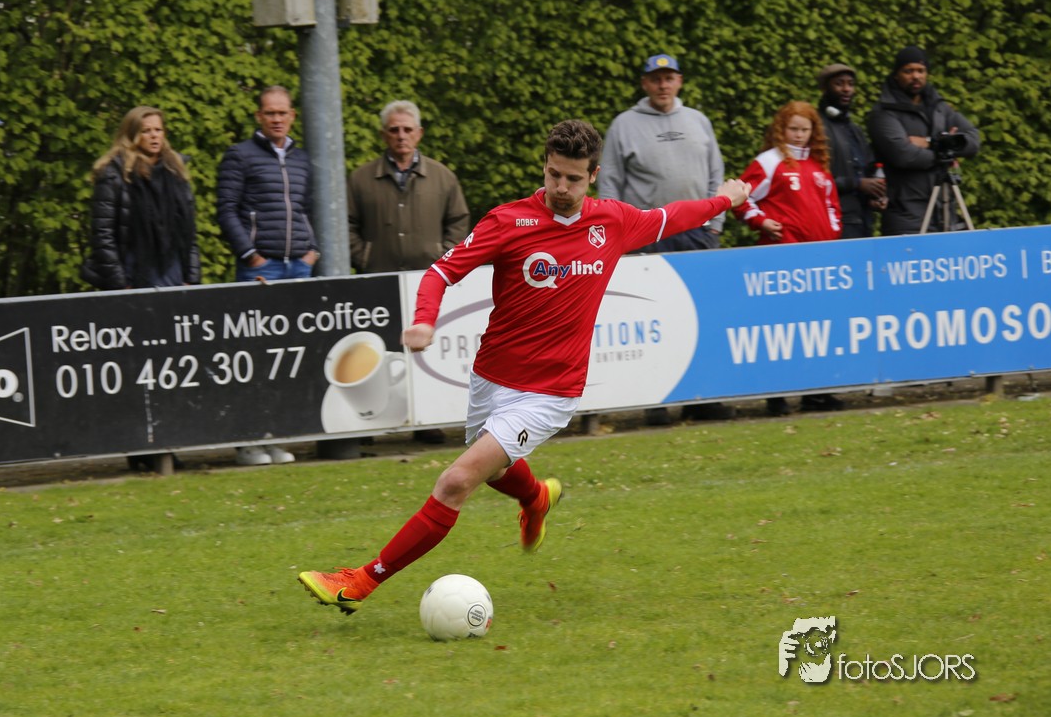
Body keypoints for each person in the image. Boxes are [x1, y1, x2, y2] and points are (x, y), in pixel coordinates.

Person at [298, 120, 752, 614]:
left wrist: (724, 199)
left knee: (455, 482)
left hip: (551, 392)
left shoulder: (613, 222)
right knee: (494, 469)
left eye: (573, 179)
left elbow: (673, 216)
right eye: (554, 174)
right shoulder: (508, 221)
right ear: (544, 166)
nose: (561, 188)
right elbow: (440, 272)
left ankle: (360, 581)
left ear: (593, 175)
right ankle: (535, 498)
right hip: (490, 378)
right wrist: (424, 320)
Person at [602, 52, 733, 422]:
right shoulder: (624, 125)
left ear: (679, 81)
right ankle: (656, 400)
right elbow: (610, 182)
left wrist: (715, 223)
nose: (663, 85)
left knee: (703, 315)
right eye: (656, 79)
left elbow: (716, 172)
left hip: (698, 234)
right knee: (653, 317)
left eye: (669, 78)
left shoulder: (698, 120)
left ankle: (703, 399)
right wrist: (618, 233)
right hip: (648, 234)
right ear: (645, 83)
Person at [348, 99, 470, 444]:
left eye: (407, 129)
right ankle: (374, 425)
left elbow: (459, 221)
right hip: (380, 279)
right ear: (383, 135)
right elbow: (347, 224)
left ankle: (426, 421)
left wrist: (442, 257)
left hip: (426, 281)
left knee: (424, 349)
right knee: (380, 349)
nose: (401, 136)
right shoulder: (361, 179)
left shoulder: (442, 177)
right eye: (394, 130)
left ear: (419, 133)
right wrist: (365, 256)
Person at [217, 86, 319, 465]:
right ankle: (248, 442)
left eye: (282, 112)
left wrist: (312, 251)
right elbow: (226, 210)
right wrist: (252, 256)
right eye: (270, 113)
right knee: (255, 356)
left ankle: (277, 436)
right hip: (260, 269)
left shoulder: (302, 159)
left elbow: (310, 208)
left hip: (299, 267)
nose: (277, 119)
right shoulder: (239, 155)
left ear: (292, 115)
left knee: (290, 357)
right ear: (259, 116)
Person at [734, 101, 843, 415]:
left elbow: (833, 208)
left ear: (813, 132)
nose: (798, 135)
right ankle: (777, 395)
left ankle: (816, 394)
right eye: (793, 128)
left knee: (816, 328)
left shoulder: (819, 166)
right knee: (781, 328)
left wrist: (832, 235)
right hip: (781, 260)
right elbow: (740, 198)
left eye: (805, 129)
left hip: (818, 261)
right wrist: (762, 222)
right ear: (781, 129)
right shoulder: (769, 161)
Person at [83, 105, 200, 291]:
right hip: (132, 272)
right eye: (146, 131)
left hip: (172, 271)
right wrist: (120, 284)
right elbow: (103, 235)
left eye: (158, 130)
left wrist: (191, 278)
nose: (154, 136)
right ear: (132, 135)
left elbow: (188, 230)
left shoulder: (175, 170)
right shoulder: (114, 174)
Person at [866, 46, 980, 235]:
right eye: (908, 71)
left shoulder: (940, 108)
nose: (916, 76)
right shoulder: (883, 113)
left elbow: (973, 141)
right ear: (896, 75)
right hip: (906, 216)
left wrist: (929, 142)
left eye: (921, 70)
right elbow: (904, 155)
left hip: (945, 211)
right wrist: (947, 149)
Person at [817, 63, 886, 239]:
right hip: (835, 220)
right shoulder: (816, 128)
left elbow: (870, 167)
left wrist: (876, 195)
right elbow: (816, 179)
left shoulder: (855, 129)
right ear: (825, 88)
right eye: (839, 84)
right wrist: (857, 184)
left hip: (862, 220)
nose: (847, 89)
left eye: (850, 84)